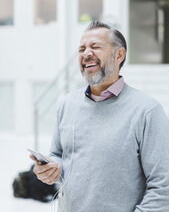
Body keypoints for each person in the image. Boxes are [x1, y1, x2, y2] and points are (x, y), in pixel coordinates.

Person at [31, 21, 169, 212]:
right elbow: (58, 156)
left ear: (119, 55)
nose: (86, 53)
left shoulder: (147, 111)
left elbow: (163, 188)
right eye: (82, 48)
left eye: (95, 46)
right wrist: (50, 169)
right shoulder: (66, 104)